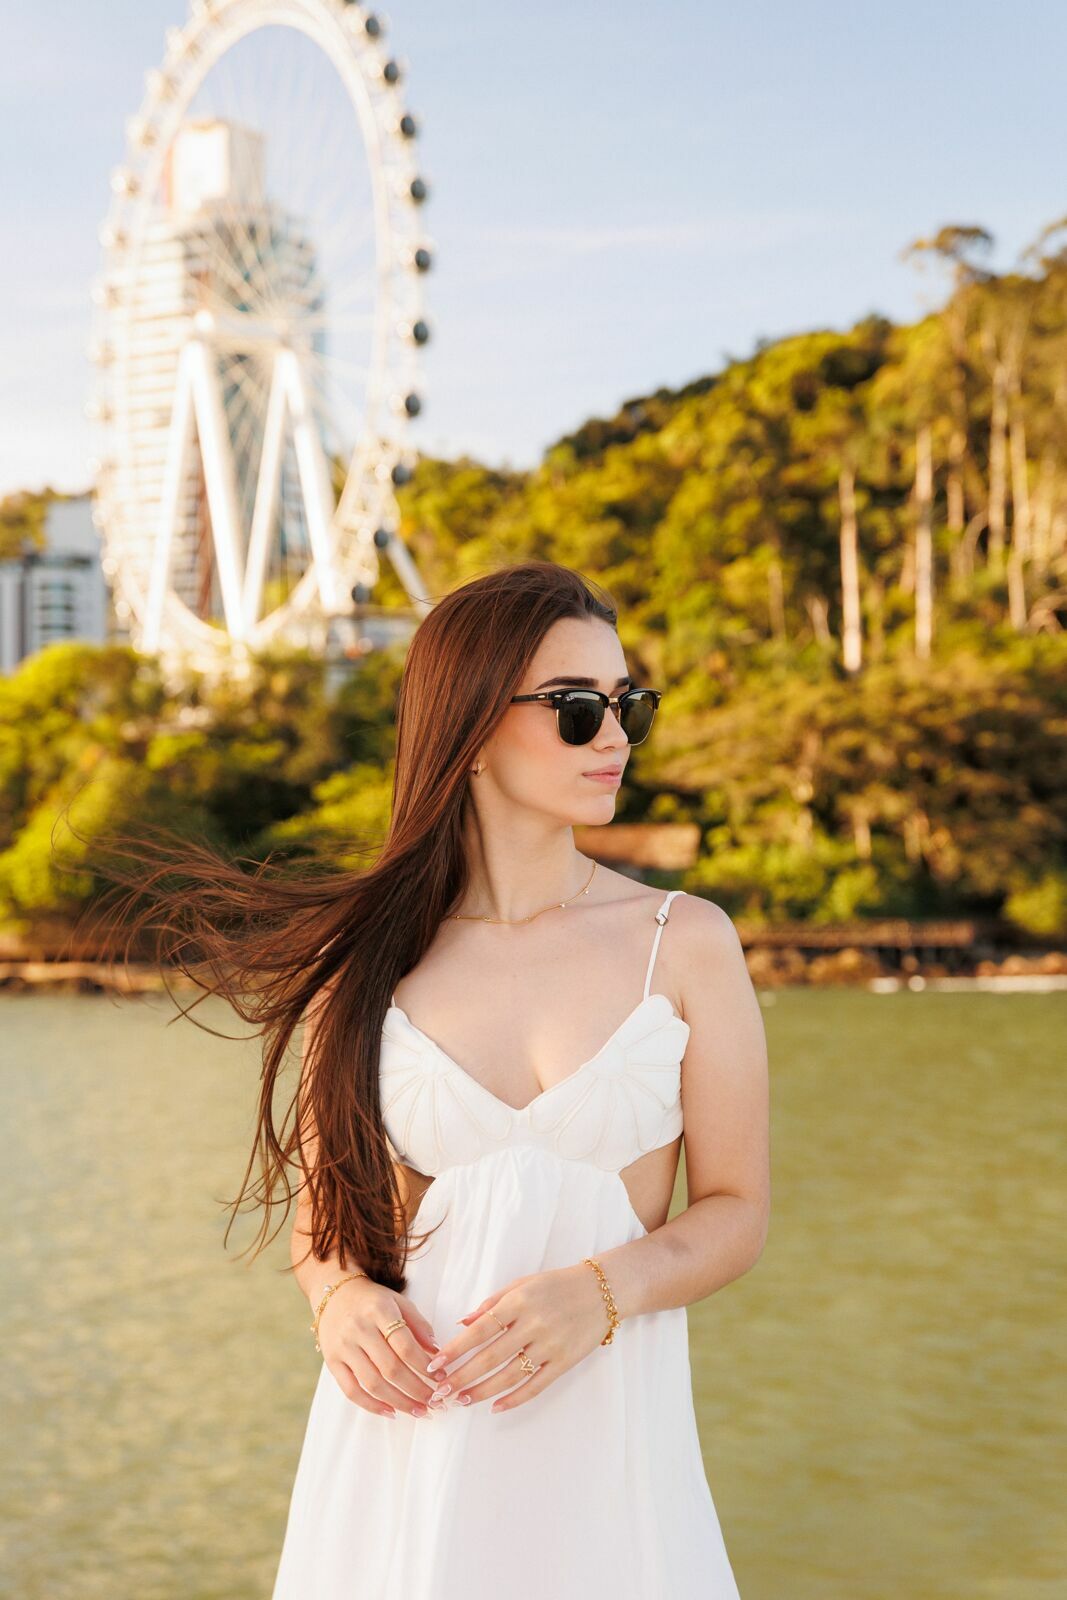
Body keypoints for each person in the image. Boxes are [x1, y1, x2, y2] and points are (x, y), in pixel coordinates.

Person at [91, 559, 769, 1598]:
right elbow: (323, 1229)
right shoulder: (368, 957)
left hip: (610, 1448)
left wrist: (602, 1290)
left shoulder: (683, 940)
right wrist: (338, 1304)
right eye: (577, 709)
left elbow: (735, 1210)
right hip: (409, 1442)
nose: (616, 737)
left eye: (627, 704)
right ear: (470, 727)